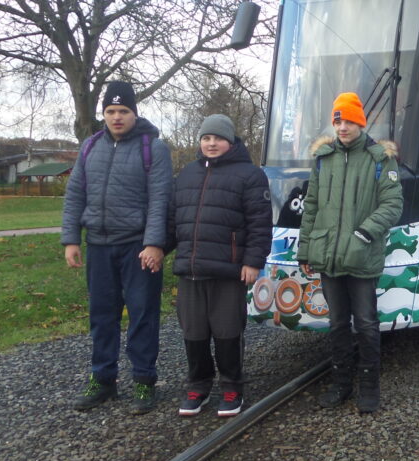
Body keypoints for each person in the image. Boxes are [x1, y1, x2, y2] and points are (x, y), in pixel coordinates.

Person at [62, 80, 173, 413]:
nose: (116, 117)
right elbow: (75, 195)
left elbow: (160, 201)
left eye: (123, 110)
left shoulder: (153, 148)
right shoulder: (90, 147)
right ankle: (103, 379)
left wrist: (154, 244)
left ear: (134, 113)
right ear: (104, 114)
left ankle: (143, 381)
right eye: (110, 111)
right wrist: (70, 239)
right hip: (98, 245)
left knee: (142, 315)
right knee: (101, 316)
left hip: (137, 247)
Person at [297, 92, 403, 413]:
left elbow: (393, 204)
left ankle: (369, 387)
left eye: (349, 121)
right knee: (338, 323)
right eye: (338, 120)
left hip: (361, 255)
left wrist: (364, 232)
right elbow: (311, 205)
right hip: (328, 256)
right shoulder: (324, 158)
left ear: (361, 121)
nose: (342, 127)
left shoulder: (380, 159)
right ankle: (341, 383)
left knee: (367, 323)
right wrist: (305, 250)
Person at [167, 114, 271, 417]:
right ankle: (198, 386)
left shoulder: (250, 175)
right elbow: (173, 220)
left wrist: (253, 261)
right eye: (206, 138)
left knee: (227, 331)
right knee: (194, 332)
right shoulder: (186, 174)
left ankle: (231, 387)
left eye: (218, 138)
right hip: (191, 269)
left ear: (230, 141)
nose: (211, 144)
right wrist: (157, 248)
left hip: (229, 270)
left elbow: (260, 224)